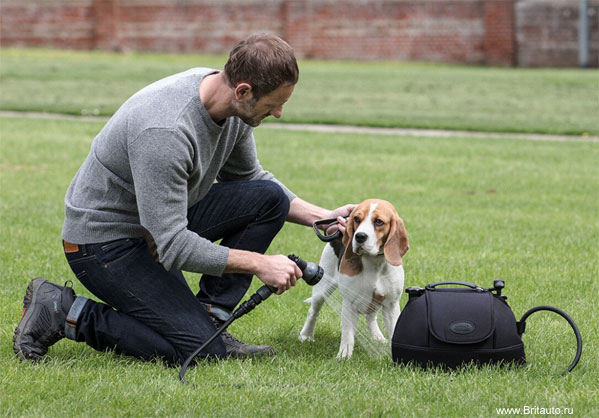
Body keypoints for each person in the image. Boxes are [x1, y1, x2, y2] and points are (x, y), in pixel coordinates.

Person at [13, 34, 353, 364]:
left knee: (269, 198)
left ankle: (212, 320)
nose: (278, 112)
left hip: (157, 223)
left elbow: (251, 180)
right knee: (199, 350)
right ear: (244, 90)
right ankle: (62, 310)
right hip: (104, 243)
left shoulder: (229, 105)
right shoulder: (166, 132)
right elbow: (172, 246)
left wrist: (322, 217)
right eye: (275, 104)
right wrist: (260, 263)